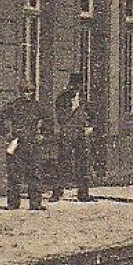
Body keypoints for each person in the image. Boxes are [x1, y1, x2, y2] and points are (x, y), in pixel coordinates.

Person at [0, 81, 53, 210]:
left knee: (35, 173)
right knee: (14, 174)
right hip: (17, 142)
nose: (27, 94)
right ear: (20, 92)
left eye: (30, 91)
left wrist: (43, 135)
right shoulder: (13, 106)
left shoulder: (38, 107)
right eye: (24, 91)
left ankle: (35, 203)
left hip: (33, 143)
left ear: (33, 92)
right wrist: (7, 133)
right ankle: (13, 203)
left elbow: (49, 121)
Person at [51, 72, 95, 202]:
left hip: (81, 134)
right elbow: (60, 117)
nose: (76, 88)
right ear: (70, 85)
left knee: (83, 163)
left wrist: (90, 127)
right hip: (67, 134)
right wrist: (71, 109)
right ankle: (57, 192)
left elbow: (92, 114)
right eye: (74, 85)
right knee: (62, 163)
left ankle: (83, 193)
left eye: (79, 85)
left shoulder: (84, 99)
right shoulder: (62, 98)